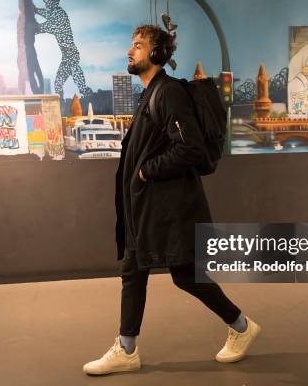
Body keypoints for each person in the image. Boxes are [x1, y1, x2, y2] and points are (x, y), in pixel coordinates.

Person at [82, 25, 261, 376]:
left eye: (138, 46)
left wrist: (148, 171)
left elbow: (190, 147)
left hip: (166, 208)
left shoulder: (166, 94)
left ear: (158, 54)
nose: (130, 51)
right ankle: (127, 348)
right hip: (146, 208)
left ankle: (241, 327)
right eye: (130, 45)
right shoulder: (149, 94)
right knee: (133, 270)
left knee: (185, 276)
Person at [33, 0, 92, 99]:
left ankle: (88, 96)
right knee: (62, 84)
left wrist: (35, 27)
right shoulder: (56, 12)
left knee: (68, 84)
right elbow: (47, 14)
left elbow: (47, 26)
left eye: (48, 0)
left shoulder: (60, 14)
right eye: (46, 1)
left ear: (54, 0)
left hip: (70, 55)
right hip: (68, 56)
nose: (46, 3)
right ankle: (83, 95)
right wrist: (36, 11)